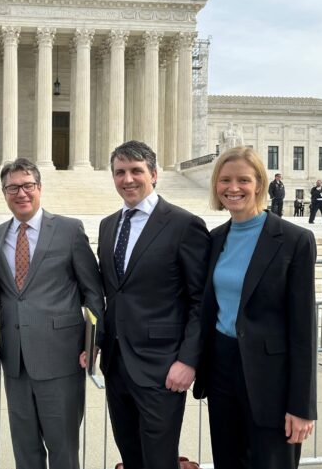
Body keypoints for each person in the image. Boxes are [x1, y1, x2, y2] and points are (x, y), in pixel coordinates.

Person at [193, 146, 317, 468]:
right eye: (225, 180)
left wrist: (302, 406)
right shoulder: (216, 238)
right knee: (228, 461)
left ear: (260, 184)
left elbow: (303, 330)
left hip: (271, 381)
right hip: (222, 370)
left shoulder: (294, 240)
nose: (233, 188)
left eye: (243, 180)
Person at [96, 140, 210, 469]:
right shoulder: (108, 226)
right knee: (131, 457)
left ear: (154, 174)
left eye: (136, 171)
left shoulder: (183, 224)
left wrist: (188, 360)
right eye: (119, 172)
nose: (127, 179)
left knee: (160, 461)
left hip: (163, 368)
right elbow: (113, 293)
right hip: (117, 366)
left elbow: (200, 301)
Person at [0, 158, 104, 469]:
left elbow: (93, 292)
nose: (21, 193)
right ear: (4, 192)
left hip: (62, 357)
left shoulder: (68, 229)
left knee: (63, 448)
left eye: (27, 186)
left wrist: (93, 345)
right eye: (13, 187)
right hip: (15, 361)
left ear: (39, 188)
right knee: (25, 450)